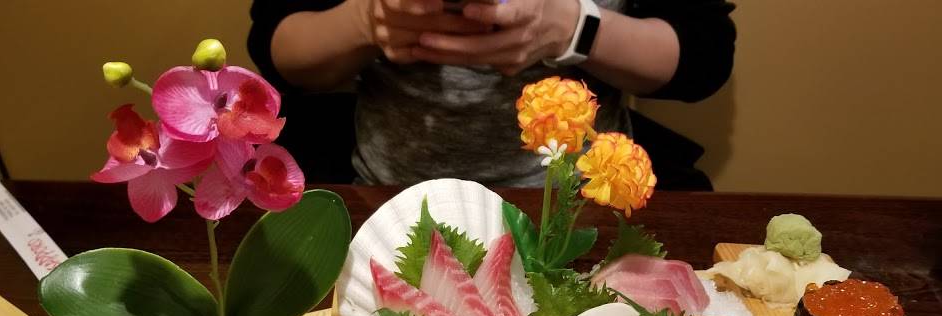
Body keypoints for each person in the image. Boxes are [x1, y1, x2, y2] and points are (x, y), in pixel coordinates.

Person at [248, 0, 736, 189]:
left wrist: (574, 30)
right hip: (384, 198)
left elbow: (702, 57)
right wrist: (365, 21)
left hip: (576, 207)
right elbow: (278, 48)